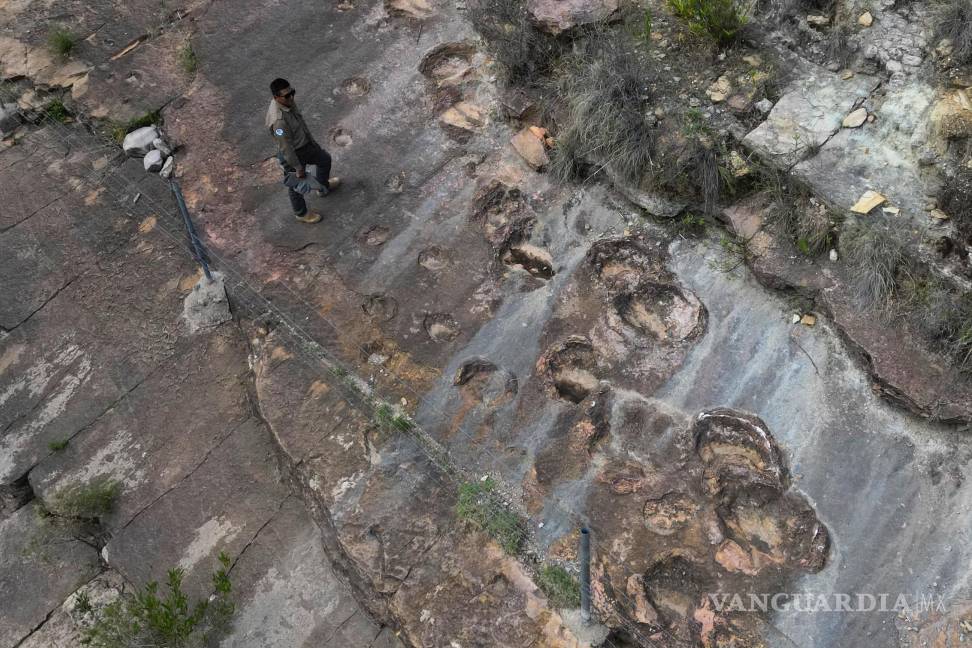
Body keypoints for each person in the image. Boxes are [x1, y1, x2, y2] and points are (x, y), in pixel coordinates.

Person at [265, 77, 340, 224]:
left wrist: (311, 141)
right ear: (276, 97)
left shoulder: (288, 103)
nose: (291, 97)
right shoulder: (279, 122)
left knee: (324, 159)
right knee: (296, 186)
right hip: (293, 155)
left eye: (292, 92)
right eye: (287, 95)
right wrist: (298, 168)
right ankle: (301, 213)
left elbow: (300, 123)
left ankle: (322, 186)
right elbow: (286, 148)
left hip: (305, 145)